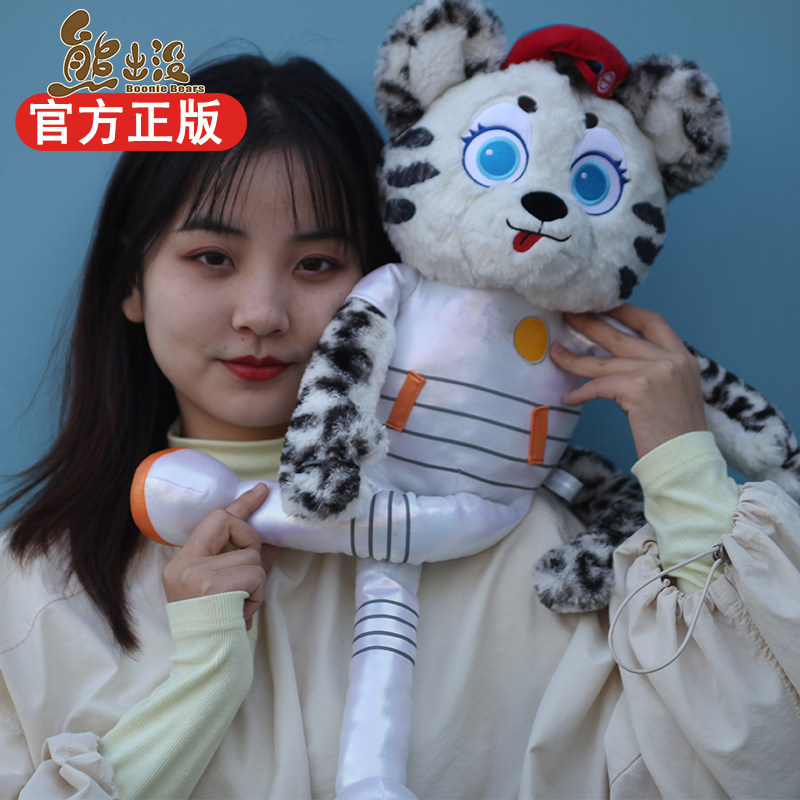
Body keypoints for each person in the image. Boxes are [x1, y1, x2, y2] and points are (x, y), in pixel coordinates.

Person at [1, 50, 798, 800]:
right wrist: (205, 678)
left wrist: (684, 469)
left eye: (317, 264)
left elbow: (756, 763)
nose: (262, 314)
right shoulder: (32, 589)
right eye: (213, 257)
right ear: (131, 281)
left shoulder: (538, 556)